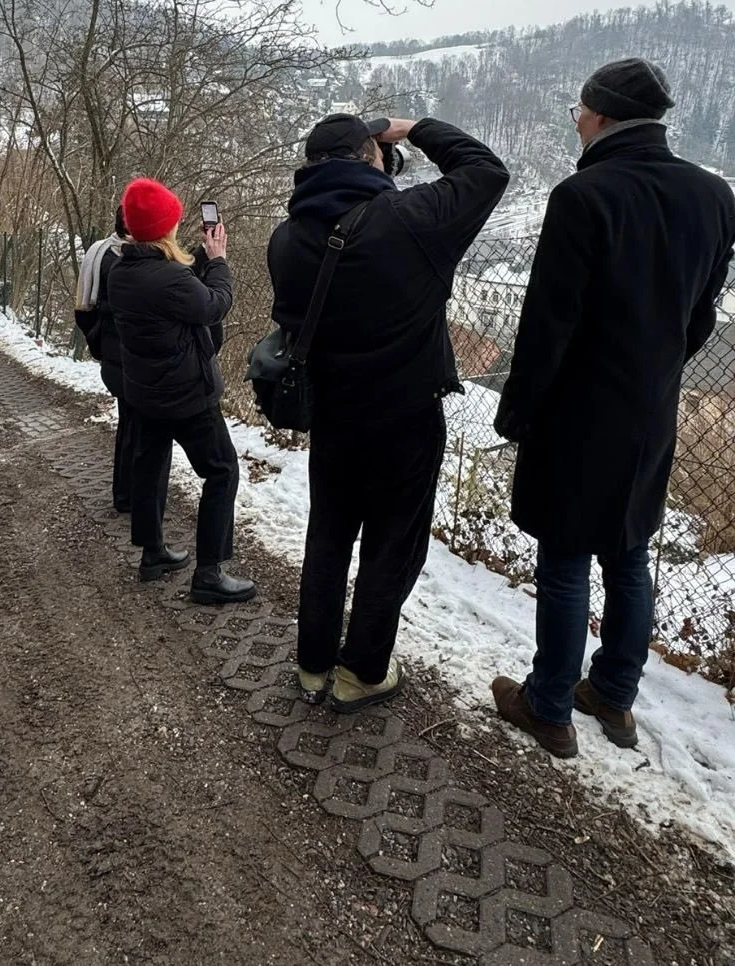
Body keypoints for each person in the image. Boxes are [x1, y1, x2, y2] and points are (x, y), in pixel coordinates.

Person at [491, 59, 735, 758]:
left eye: (578, 108)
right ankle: (615, 697)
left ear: (597, 116)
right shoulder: (715, 196)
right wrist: (655, 373)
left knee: (566, 558)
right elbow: (701, 316)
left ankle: (548, 707)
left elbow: (547, 325)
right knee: (629, 555)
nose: (574, 119)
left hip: (575, 411)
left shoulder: (584, 195)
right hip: (650, 409)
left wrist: (519, 412)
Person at [268, 114, 508, 711]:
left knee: (328, 536)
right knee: (390, 546)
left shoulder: (284, 238)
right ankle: (364, 672)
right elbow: (485, 171)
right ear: (371, 157)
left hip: (333, 417)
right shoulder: (412, 219)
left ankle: (313, 663)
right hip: (406, 418)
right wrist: (416, 126)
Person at [107, 177, 255, 604]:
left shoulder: (123, 270)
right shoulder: (169, 278)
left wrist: (201, 265)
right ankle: (209, 572)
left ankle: (153, 554)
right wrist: (220, 260)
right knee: (222, 470)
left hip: (145, 394)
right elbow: (213, 304)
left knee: (150, 467)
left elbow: (181, 296)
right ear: (163, 227)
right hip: (187, 395)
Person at [74, 207, 142, 514]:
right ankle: (131, 494)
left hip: (115, 356)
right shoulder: (130, 258)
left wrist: (99, 343)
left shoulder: (97, 252)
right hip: (129, 356)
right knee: (136, 425)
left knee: (129, 423)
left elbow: (83, 310)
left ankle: (125, 493)